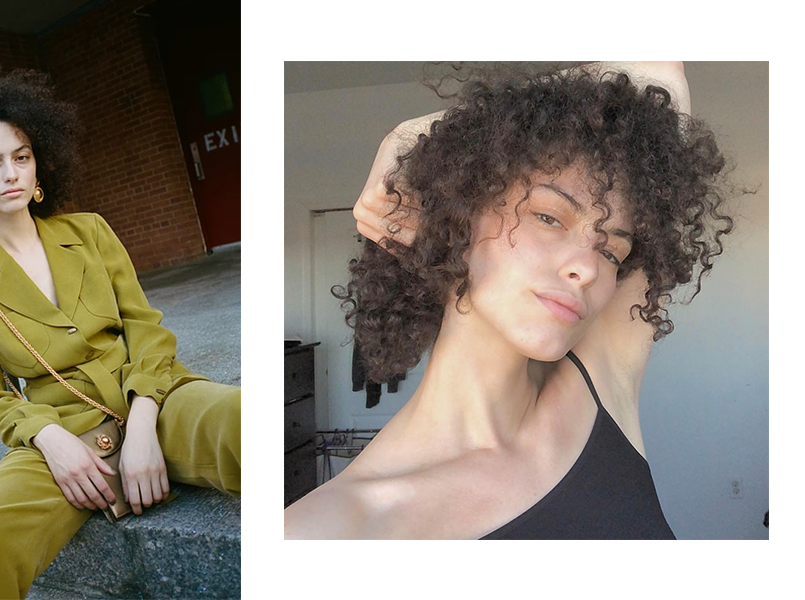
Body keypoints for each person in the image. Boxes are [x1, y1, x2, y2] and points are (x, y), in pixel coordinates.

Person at [284, 62, 737, 539]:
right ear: (456, 212)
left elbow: (660, 66)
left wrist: (410, 137)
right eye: (548, 217)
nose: (586, 267)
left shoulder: (600, 387)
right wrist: (440, 144)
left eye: (611, 250)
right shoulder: (325, 533)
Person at [0, 59, 240, 598]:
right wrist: (52, 441)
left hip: (153, 398)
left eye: (21, 157)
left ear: (39, 163)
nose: (11, 173)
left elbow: (146, 329)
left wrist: (142, 425)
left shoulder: (89, 231)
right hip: (58, 430)